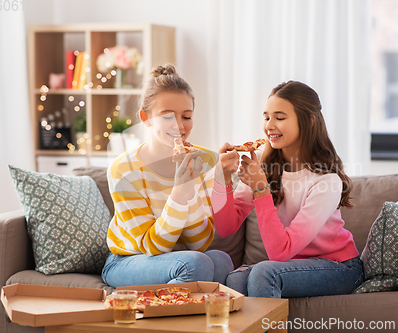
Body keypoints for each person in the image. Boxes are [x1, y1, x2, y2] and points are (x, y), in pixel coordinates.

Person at [212, 80, 363, 298]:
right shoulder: (265, 170)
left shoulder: (326, 181)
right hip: (291, 265)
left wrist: (261, 189)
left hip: (340, 267)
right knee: (235, 278)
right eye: (266, 117)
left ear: (309, 121)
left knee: (264, 273)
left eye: (280, 117)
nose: (269, 126)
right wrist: (223, 179)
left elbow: (279, 252)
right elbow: (226, 227)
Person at [102, 64, 233, 287]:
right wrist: (180, 193)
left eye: (186, 116)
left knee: (221, 261)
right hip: (129, 260)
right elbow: (152, 247)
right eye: (167, 116)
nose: (179, 126)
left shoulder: (207, 161)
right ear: (146, 118)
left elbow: (199, 244)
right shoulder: (123, 170)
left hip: (185, 259)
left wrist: (192, 191)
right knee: (194, 264)